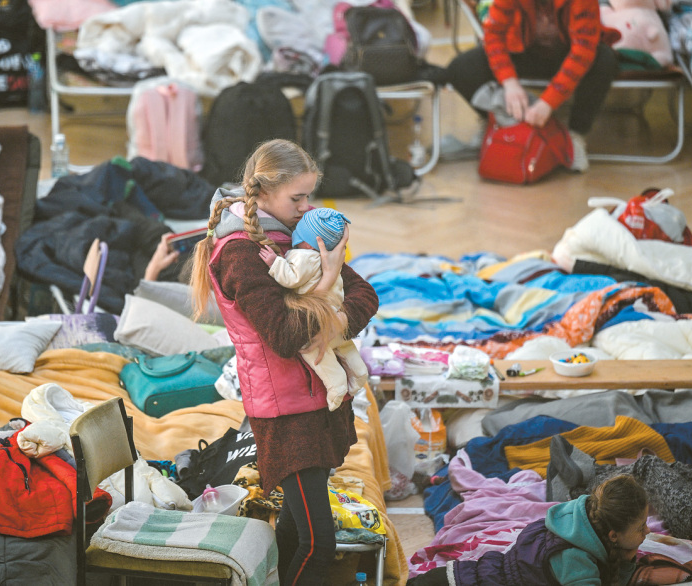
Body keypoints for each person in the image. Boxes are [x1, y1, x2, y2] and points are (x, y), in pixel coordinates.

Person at [188, 138, 379, 585]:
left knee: (297, 529)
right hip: (285, 410)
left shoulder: (292, 236)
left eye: (308, 195)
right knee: (319, 544)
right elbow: (284, 336)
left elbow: (367, 295)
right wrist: (329, 281)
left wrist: (328, 311)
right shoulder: (239, 252)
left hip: (315, 401)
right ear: (265, 192)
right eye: (298, 197)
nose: (306, 206)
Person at [443, 0, 619, 172]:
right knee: (461, 67)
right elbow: (493, 34)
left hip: (568, 53)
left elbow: (583, 51)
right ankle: (500, 120)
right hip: (524, 52)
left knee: (605, 60)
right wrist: (509, 82)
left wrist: (548, 103)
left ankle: (574, 137)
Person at [409, 474, 649, 585]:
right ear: (613, 535)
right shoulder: (575, 559)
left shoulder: (580, 520)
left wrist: (626, 556)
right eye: (641, 527)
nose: (647, 532)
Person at [258, 207, 370, 411]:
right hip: (337, 317)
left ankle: (337, 386)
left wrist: (275, 263)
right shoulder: (328, 258)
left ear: (307, 242)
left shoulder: (303, 256)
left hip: (319, 323)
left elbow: (291, 279)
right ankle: (360, 373)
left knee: (316, 353)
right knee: (345, 347)